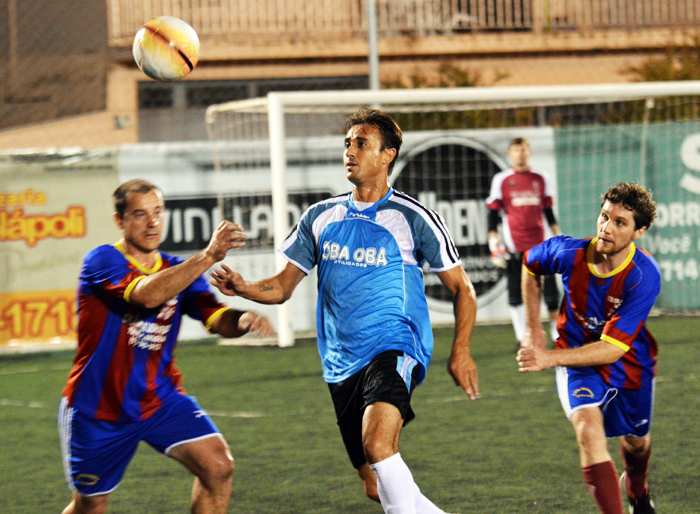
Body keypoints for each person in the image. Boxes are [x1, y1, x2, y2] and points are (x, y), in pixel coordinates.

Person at [211, 107, 479, 514]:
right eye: (347, 143)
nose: (350, 151)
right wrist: (245, 288)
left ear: (387, 155)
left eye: (361, 143)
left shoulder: (412, 217)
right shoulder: (320, 217)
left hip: (394, 345)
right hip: (340, 361)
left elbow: (464, 289)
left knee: (378, 444)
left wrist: (460, 351)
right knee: (375, 484)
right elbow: (282, 287)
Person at [58, 179, 274, 514]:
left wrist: (243, 319)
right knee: (91, 505)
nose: (152, 222)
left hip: (159, 398)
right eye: (139, 214)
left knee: (219, 466)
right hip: (100, 408)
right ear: (120, 221)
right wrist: (208, 255)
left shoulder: (178, 269)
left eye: (158, 212)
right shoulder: (101, 261)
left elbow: (215, 317)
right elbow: (147, 294)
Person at [517, 183, 659, 514]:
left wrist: (548, 357)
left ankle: (636, 487)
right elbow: (529, 264)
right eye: (604, 216)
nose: (606, 227)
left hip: (628, 359)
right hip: (576, 357)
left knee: (637, 443)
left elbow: (612, 349)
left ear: (640, 231)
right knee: (588, 432)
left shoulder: (643, 275)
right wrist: (533, 328)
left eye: (620, 222)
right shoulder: (569, 253)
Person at [485, 137, 561, 350]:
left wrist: (557, 234)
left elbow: (548, 211)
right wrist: (493, 239)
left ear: (529, 153)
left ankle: (557, 335)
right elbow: (493, 211)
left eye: (523, 150)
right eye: (516, 151)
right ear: (510, 154)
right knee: (516, 293)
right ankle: (522, 337)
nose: (520, 154)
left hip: (540, 247)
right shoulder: (502, 180)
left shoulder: (540, 178)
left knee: (551, 293)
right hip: (514, 247)